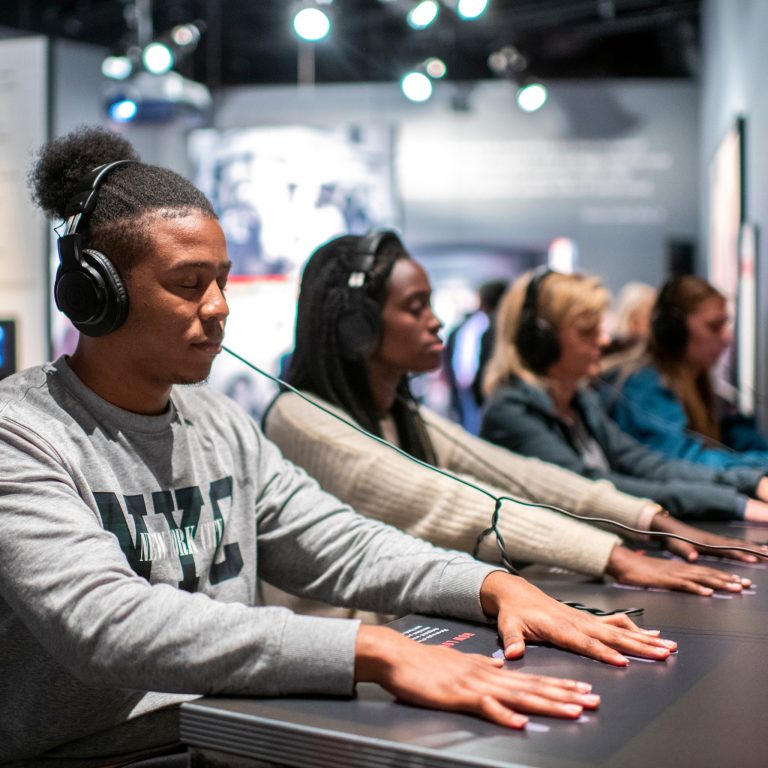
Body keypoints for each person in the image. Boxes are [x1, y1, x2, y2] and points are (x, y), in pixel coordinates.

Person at [0, 127, 679, 766]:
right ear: (95, 295)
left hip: (228, 736)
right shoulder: (21, 435)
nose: (218, 307)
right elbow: (106, 623)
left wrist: (492, 585)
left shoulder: (222, 426)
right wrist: (370, 649)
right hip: (97, 756)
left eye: (222, 279)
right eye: (187, 283)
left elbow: (342, 544)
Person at [263, 232, 753, 600]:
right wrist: (613, 556)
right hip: (356, 654)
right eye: (417, 307)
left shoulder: (399, 412)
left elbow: (523, 476)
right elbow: (452, 502)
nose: (435, 320)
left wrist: (650, 518)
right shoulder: (301, 419)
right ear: (356, 329)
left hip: (402, 623)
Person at [479, 269, 768, 527]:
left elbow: (646, 463)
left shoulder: (580, 402)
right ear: (541, 342)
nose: (604, 340)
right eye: (587, 331)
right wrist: (734, 502)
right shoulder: (511, 413)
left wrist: (750, 481)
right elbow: (592, 488)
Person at [607, 275, 768, 470]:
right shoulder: (644, 386)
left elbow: (738, 435)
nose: (727, 338)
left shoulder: (701, 382)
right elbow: (684, 459)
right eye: (714, 326)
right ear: (675, 332)